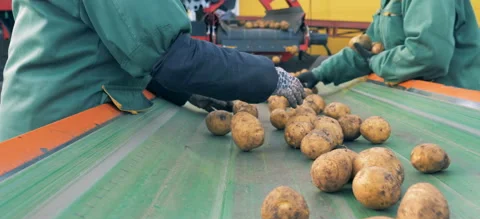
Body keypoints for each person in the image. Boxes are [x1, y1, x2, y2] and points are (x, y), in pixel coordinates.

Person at [0, 0, 305, 142]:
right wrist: (269, 76)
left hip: (43, 117)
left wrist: (186, 89)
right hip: (56, 133)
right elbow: (174, 55)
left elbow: (120, 46)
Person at [299, 0, 480, 91]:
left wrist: (376, 62)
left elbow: (428, 54)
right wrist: (320, 73)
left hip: (455, 101)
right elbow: (367, 48)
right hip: (422, 96)